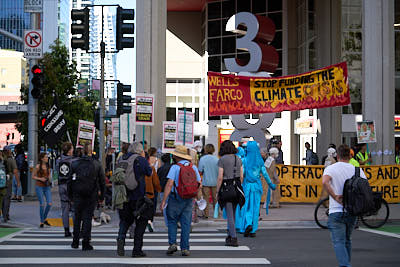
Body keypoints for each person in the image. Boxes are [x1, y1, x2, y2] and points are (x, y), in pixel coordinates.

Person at [322, 144, 367, 267]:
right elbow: (365, 187)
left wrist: (335, 196)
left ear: (337, 155)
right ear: (350, 155)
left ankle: (345, 265)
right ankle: (347, 263)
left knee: (338, 241)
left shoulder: (332, 169)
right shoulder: (357, 170)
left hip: (336, 210)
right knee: (347, 240)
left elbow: (325, 182)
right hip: (351, 210)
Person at [160, 145, 201, 257]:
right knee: (186, 223)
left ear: (176, 156)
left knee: (172, 220)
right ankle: (185, 248)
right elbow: (199, 183)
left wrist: (164, 200)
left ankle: (173, 243)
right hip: (189, 198)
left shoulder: (175, 167)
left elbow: (169, 184)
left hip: (175, 197)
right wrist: (197, 197)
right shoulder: (193, 167)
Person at [116, 142, 152, 258]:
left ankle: (121, 238)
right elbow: (149, 172)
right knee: (141, 223)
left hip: (123, 194)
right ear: (140, 150)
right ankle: (137, 250)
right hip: (137, 196)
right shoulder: (140, 159)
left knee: (125, 220)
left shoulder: (121, 158)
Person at [236, 141, 276, 237]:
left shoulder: (245, 160)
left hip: (246, 187)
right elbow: (265, 174)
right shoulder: (260, 160)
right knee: (255, 207)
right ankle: (253, 229)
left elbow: (243, 173)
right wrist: (271, 184)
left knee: (246, 207)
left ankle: (247, 224)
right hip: (257, 186)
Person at [69, 144, 105, 251]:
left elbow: (69, 181)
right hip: (91, 194)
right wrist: (102, 196)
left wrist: (70, 195)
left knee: (77, 217)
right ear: (91, 151)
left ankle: (75, 241)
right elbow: (102, 181)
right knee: (87, 218)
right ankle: (86, 242)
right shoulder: (96, 164)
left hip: (77, 194)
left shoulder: (74, 164)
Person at [216, 140, 243, 247]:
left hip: (226, 187)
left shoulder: (222, 160)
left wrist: (218, 191)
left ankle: (233, 237)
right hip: (236, 187)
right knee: (234, 213)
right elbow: (241, 176)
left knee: (229, 215)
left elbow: (220, 177)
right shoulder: (238, 158)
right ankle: (230, 234)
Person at [57, 142, 77, 237]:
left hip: (61, 186)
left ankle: (66, 230)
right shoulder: (74, 160)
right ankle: (75, 229)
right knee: (73, 209)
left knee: (64, 209)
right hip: (71, 186)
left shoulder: (59, 161)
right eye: (72, 148)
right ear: (69, 151)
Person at [198, 144, 219, 219]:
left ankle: (206, 214)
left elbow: (200, 171)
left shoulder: (203, 159)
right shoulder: (216, 159)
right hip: (215, 181)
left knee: (206, 198)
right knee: (215, 198)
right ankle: (216, 213)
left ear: (206, 149)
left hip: (206, 181)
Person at [32, 152, 52, 228]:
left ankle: (44, 218)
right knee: (42, 204)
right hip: (39, 186)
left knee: (49, 204)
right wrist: (40, 178)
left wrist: (50, 180)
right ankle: (41, 222)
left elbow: (49, 177)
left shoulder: (48, 167)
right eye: (46, 157)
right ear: (42, 158)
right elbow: (33, 176)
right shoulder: (37, 167)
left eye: (47, 157)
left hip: (47, 187)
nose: (47, 158)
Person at [157, 153, 173, 226]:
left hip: (162, 189)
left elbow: (158, 179)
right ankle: (173, 221)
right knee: (173, 206)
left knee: (165, 207)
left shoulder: (160, 169)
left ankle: (167, 223)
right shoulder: (173, 167)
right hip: (172, 189)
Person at [145, 164, 161, 232]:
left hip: (137, 193)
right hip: (149, 192)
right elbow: (155, 182)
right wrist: (158, 189)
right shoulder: (151, 168)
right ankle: (149, 221)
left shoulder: (134, 167)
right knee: (149, 209)